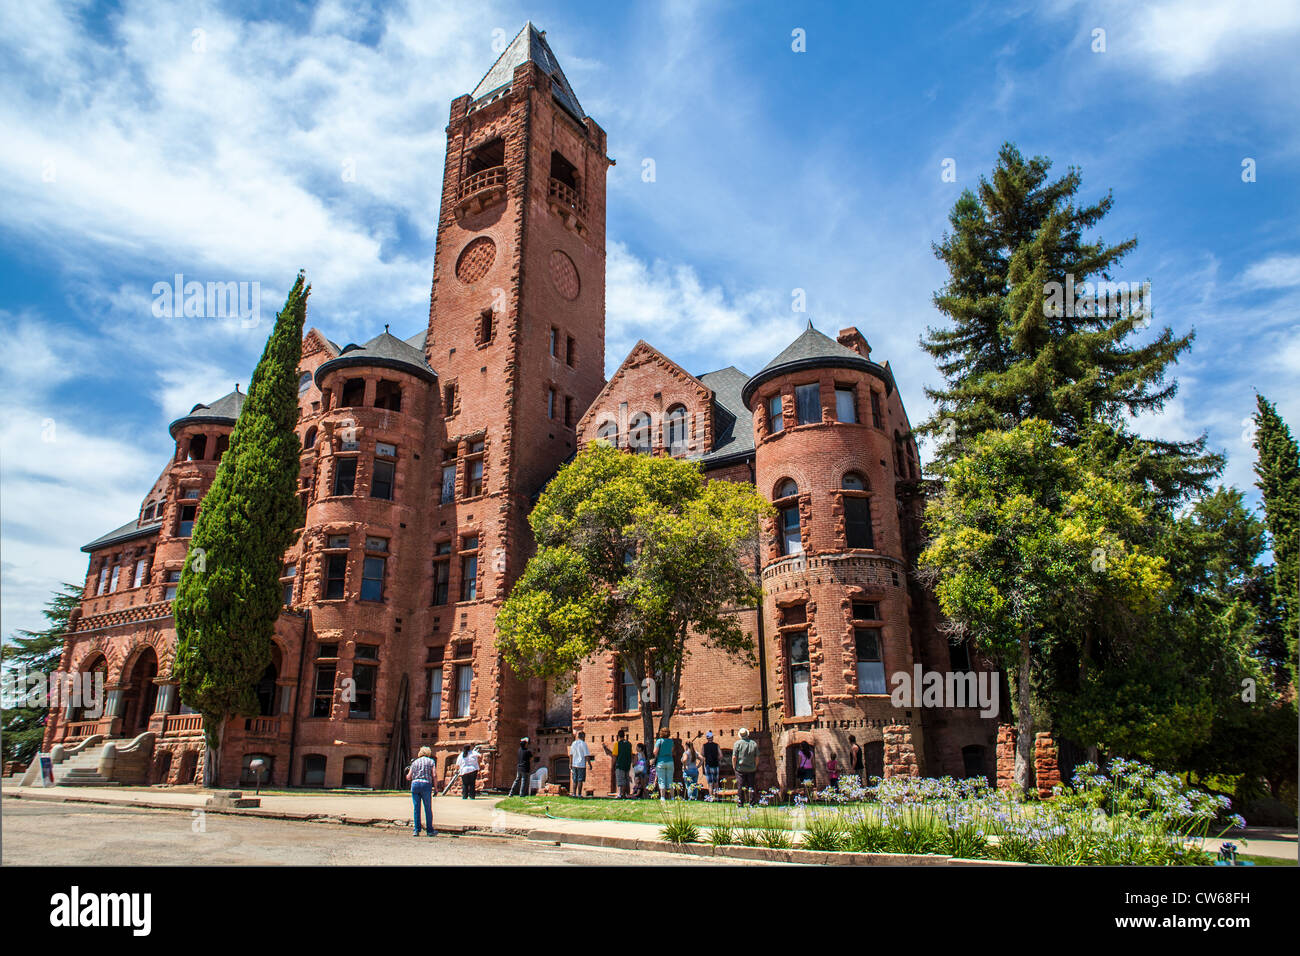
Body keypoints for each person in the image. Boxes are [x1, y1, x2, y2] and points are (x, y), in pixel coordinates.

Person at [406, 745, 436, 837]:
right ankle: (430, 830)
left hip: (415, 785)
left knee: (416, 808)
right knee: (427, 808)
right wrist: (436, 788)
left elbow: (409, 777)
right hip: (426, 785)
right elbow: (434, 775)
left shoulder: (414, 762)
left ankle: (416, 830)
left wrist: (406, 773)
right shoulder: (431, 761)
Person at [732, 727, 759, 806]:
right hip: (751, 768)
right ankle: (752, 803)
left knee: (740, 786)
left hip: (740, 769)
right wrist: (755, 766)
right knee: (751, 786)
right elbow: (757, 757)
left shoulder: (737, 744)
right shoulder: (753, 743)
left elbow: (734, 757)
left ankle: (740, 803)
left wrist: (734, 766)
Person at [603, 729, 632, 798]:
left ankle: (620, 793)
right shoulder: (629, 744)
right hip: (627, 765)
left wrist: (613, 765)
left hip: (620, 764)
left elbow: (615, 756)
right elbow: (630, 754)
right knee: (626, 779)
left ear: (618, 736)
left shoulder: (617, 744)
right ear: (624, 736)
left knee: (620, 780)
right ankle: (625, 794)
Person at [653, 728, 676, 800]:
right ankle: (672, 797)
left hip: (661, 761)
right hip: (670, 761)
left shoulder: (659, 741)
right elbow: (672, 751)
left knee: (661, 780)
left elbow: (655, 752)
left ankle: (662, 797)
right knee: (670, 780)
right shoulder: (671, 741)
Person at [569, 730, 592, 798]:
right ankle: (579, 794)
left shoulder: (574, 743)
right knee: (580, 780)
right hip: (581, 765)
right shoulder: (583, 744)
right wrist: (590, 764)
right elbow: (586, 755)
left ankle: (574, 793)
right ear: (583, 737)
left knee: (574, 780)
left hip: (574, 764)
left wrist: (570, 763)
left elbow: (571, 754)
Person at [701, 731, 721, 796]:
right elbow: (721, 755)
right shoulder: (716, 745)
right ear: (712, 737)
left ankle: (711, 796)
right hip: (715, 765)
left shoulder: (704, 746)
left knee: (710, 783)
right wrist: (718, 760)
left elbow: (702, 756)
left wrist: (702, 767)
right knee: (716, 782)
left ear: (707, 738)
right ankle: (716, 796)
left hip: (708, 765)